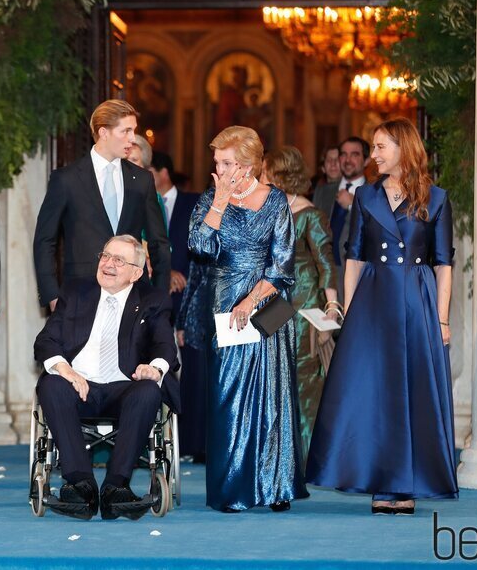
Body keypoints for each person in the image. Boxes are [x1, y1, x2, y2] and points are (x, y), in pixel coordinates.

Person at [307, 117, 457, 516]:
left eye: (379, 147)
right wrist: (351, 313)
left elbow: (444, 264)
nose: (372, 155)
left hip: (416, 300)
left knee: (410, 391)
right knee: (373, 392)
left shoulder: (437, 199)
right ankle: (379, 479)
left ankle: (405, 485)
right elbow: (353, 256)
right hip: (372, 303)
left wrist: (442, 319)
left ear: (403, 148)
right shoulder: (366, 198)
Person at [188, 126, 307, 512]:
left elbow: (283, 264)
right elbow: (200, 248)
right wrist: (219, 202)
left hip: (268, 301)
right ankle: (232, 487)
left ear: (248, 165)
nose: (218, 169)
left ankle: (274, 486)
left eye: (227, 163)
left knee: (272, 391)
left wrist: (251, 302)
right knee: (230, 393)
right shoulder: (210, 198)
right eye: (217, 162)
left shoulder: (275, 202)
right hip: (223, 298)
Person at [33, 235, 179, 521]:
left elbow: (164, 346)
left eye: (119, 260)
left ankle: (116, 488)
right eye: (106, 256)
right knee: (51, 384)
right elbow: (46, 341)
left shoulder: (153, 300)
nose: (108, 264)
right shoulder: (76, 292)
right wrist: (66, 371)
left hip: (124, 388)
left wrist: (156, 368)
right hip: (79, 385)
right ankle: (80, 484)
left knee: (149, 391)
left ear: (137, 273)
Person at [33, 100, 170, 311]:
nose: (132, 139)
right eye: (126, 131)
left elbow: (158, 242)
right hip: (80, 296)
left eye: (133, 131)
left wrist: (159, 297)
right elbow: (44, 240)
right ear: (104, 132)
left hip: (134, 296)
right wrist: (52, 295)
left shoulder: (142, 180)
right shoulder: (66, 179)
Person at [261, 147, 338, 456]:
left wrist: (331, 310)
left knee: (305, 388)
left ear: (280, 175)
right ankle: (278, 458)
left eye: (266, 172)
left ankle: (306, 460)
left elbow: (327, 265)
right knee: (271, 383)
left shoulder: (310, 215)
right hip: (272, 308)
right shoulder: (267, 211)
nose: (261, 177)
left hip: (304, 309)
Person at [149, 150, 204, 458]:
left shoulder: (193, 201)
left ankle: (191, 439)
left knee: (192, 371)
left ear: (164, 172)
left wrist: (181, 274)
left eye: (150, 171)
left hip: (188, 294)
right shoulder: (142, 201)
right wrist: (163, 272)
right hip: (155, 292)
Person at [313, 136, 369, 300]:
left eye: (355, 154)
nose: (348, 160)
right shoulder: (324, 191)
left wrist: (353, 205)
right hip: (325, 275)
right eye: (343, 154)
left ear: (366, 161)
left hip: (358, 276)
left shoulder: (375, 194)